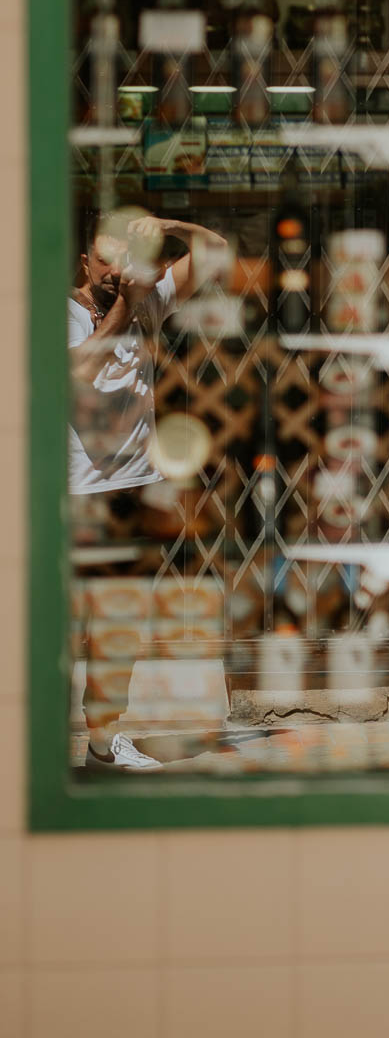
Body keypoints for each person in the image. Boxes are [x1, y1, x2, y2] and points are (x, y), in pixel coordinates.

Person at [69, 210, 228, 769]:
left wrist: (167, 224)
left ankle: (101, 741)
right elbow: (75, 377)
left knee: (117, 624)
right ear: (85, 261)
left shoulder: (147, 299)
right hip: (76, 492)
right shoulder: (65, 312)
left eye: (125, 258)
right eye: (105, 259)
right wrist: (125, 303)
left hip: (135, 487)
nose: (117, 270)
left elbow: (215, 249)